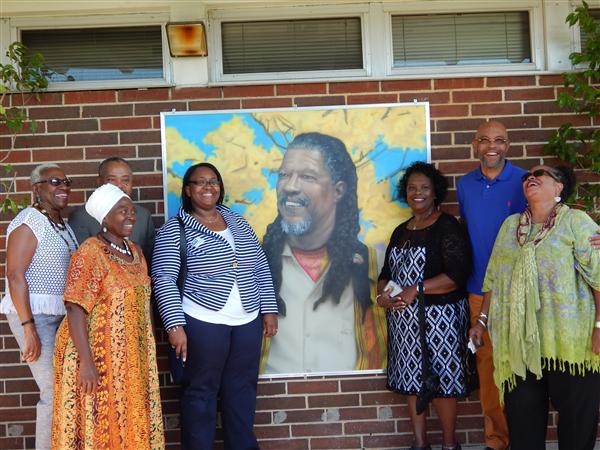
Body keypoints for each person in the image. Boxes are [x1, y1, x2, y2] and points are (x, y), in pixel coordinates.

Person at [457, 120, 600, 450]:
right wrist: (481, 322)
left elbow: (598, 278)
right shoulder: (511, 227)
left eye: (540, 175)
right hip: (520, 341)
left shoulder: (576, 222)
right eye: (527, 176)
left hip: (570, 342)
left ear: (559, 187)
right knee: (523, 422)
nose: (530, 178)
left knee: (577, 423)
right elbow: (493, 278)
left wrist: (599, 326)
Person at [152, 162, 278, 450]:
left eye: (213, 181)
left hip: (246, 320)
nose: (208, 187)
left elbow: (259, 265)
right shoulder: (175, 229)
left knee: (242, 391)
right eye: (200, 182)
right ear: (188, 190)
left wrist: (269, 309)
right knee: (201, 393)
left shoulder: (237, 221)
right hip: (201, 321)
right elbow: (164, 278)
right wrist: (174, 325)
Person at [262, 132, 386, 374]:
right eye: (284, 175)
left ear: (338, 191)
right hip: (274, 393)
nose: (290, 186)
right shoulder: (257, 260)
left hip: (351, 393)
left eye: (307, 176)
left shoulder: (371, 264)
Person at [51, 183, 164, 449]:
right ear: (104, 217)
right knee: (101, 421)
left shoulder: (136, 252)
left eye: (132, 210)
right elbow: (75, 307)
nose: (131, 216)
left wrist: (146, 348)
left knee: (128, 419)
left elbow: (143, 301)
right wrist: (87, 364)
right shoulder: (90, 252)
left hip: (130, 358)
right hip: (96, 357)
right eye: (122, 211)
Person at [377, 161, 471, 450]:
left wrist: (416, 289)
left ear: (435, 192)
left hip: (441, 321)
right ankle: (420, 444)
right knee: (411, 379)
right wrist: (383, 296)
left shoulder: (447, 226)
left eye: (424, 188)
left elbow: (456, 276)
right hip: (404, 322)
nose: (417, 193)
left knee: (442, 383)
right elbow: (385, 274)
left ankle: (449, 445)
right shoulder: (400, 231)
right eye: (412, 188)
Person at [0, 163, 77, 450]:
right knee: (53, 391)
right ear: (36, 188)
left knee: (67, 389)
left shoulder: (62, 225)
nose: (63, 187)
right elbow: (14, 275)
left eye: (66, 182)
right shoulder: (28, 221)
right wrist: (28, 328)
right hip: (35, 316)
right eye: (54, 182)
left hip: (60, 316)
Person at [68, 156, 155, 264]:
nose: (119, 186)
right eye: (112, 180)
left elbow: (149, 261)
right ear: (99, 182)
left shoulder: (143, 216)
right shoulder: (81, 217)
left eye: (125, 180)